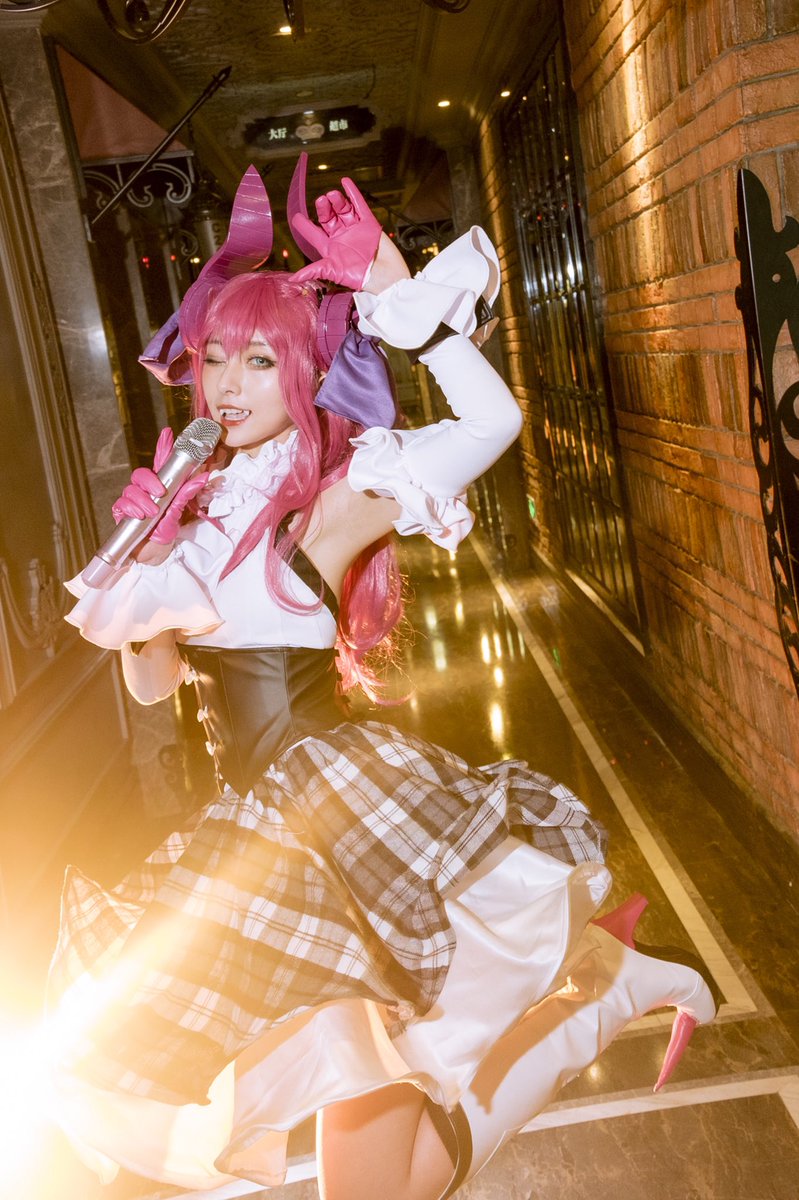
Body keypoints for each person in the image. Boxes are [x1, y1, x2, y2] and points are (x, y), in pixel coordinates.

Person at [48, 163, 717, 1200]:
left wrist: (406, 310)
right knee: (392, 1182)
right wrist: (145, 562)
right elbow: (150, 688)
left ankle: (607, 994)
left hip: (343, 825)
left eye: (259, 359)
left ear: (304, 373)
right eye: (213, 357)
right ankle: (609, 993)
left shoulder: (336, 497)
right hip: (254, 839)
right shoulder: (199, 509)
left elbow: (490, 428)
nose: (225, 383)